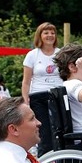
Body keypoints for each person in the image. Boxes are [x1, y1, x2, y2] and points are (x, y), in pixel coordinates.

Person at [22, 22, 64, 155]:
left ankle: (63, 162)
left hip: (57, 95)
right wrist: (25, 101)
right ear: (40, 36)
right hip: (38, 96)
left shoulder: (61, 54)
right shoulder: (32, 55)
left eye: (52, 33)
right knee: (44, 131)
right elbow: (26, 81)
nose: (50, 35)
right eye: (46, 33)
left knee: (60, 129)